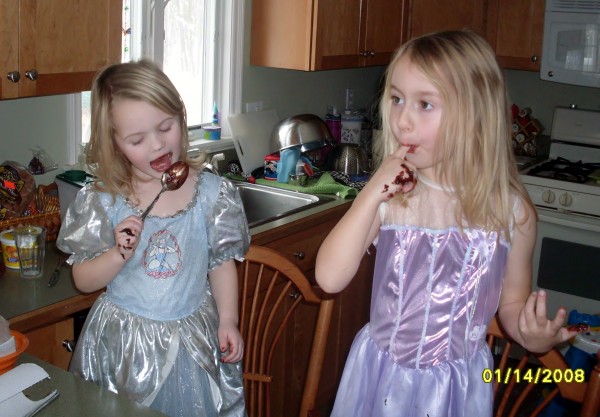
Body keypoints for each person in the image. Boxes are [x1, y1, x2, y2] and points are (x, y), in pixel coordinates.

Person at [315, 30, 586, 417]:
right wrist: (372, 191)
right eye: (396, 99)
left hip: (455, 391)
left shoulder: (512, 212)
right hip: (378, 379)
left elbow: (511, 303)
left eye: (425, 104)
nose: (402, 121)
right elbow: (329, 278)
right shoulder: (392, 196)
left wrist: (530, 336)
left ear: (475, 115)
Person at [57, 60, 250, 417]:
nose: (158, 145)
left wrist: (228, 320)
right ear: (114, 143)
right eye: (137, 139)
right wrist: (118, 253)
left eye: (166, 126)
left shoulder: (211, 193)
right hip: (123, 347)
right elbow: (82, 280)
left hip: (192, 342)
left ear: (181, 115)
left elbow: (220, 263)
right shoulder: (104, 198)